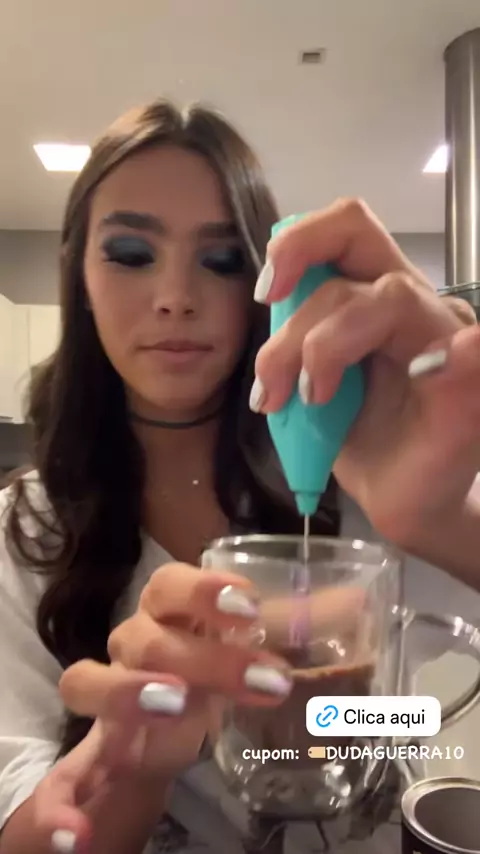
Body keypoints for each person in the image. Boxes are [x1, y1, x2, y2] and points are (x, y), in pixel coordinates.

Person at [0, 98, 479, 854]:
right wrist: (134, 773)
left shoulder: (357, 465)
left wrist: (441, 524)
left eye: (222, 261)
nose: (175, 298)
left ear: (264, 283)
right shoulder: (24, 532)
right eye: (131, 253)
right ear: (78, 274)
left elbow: (416, 718)